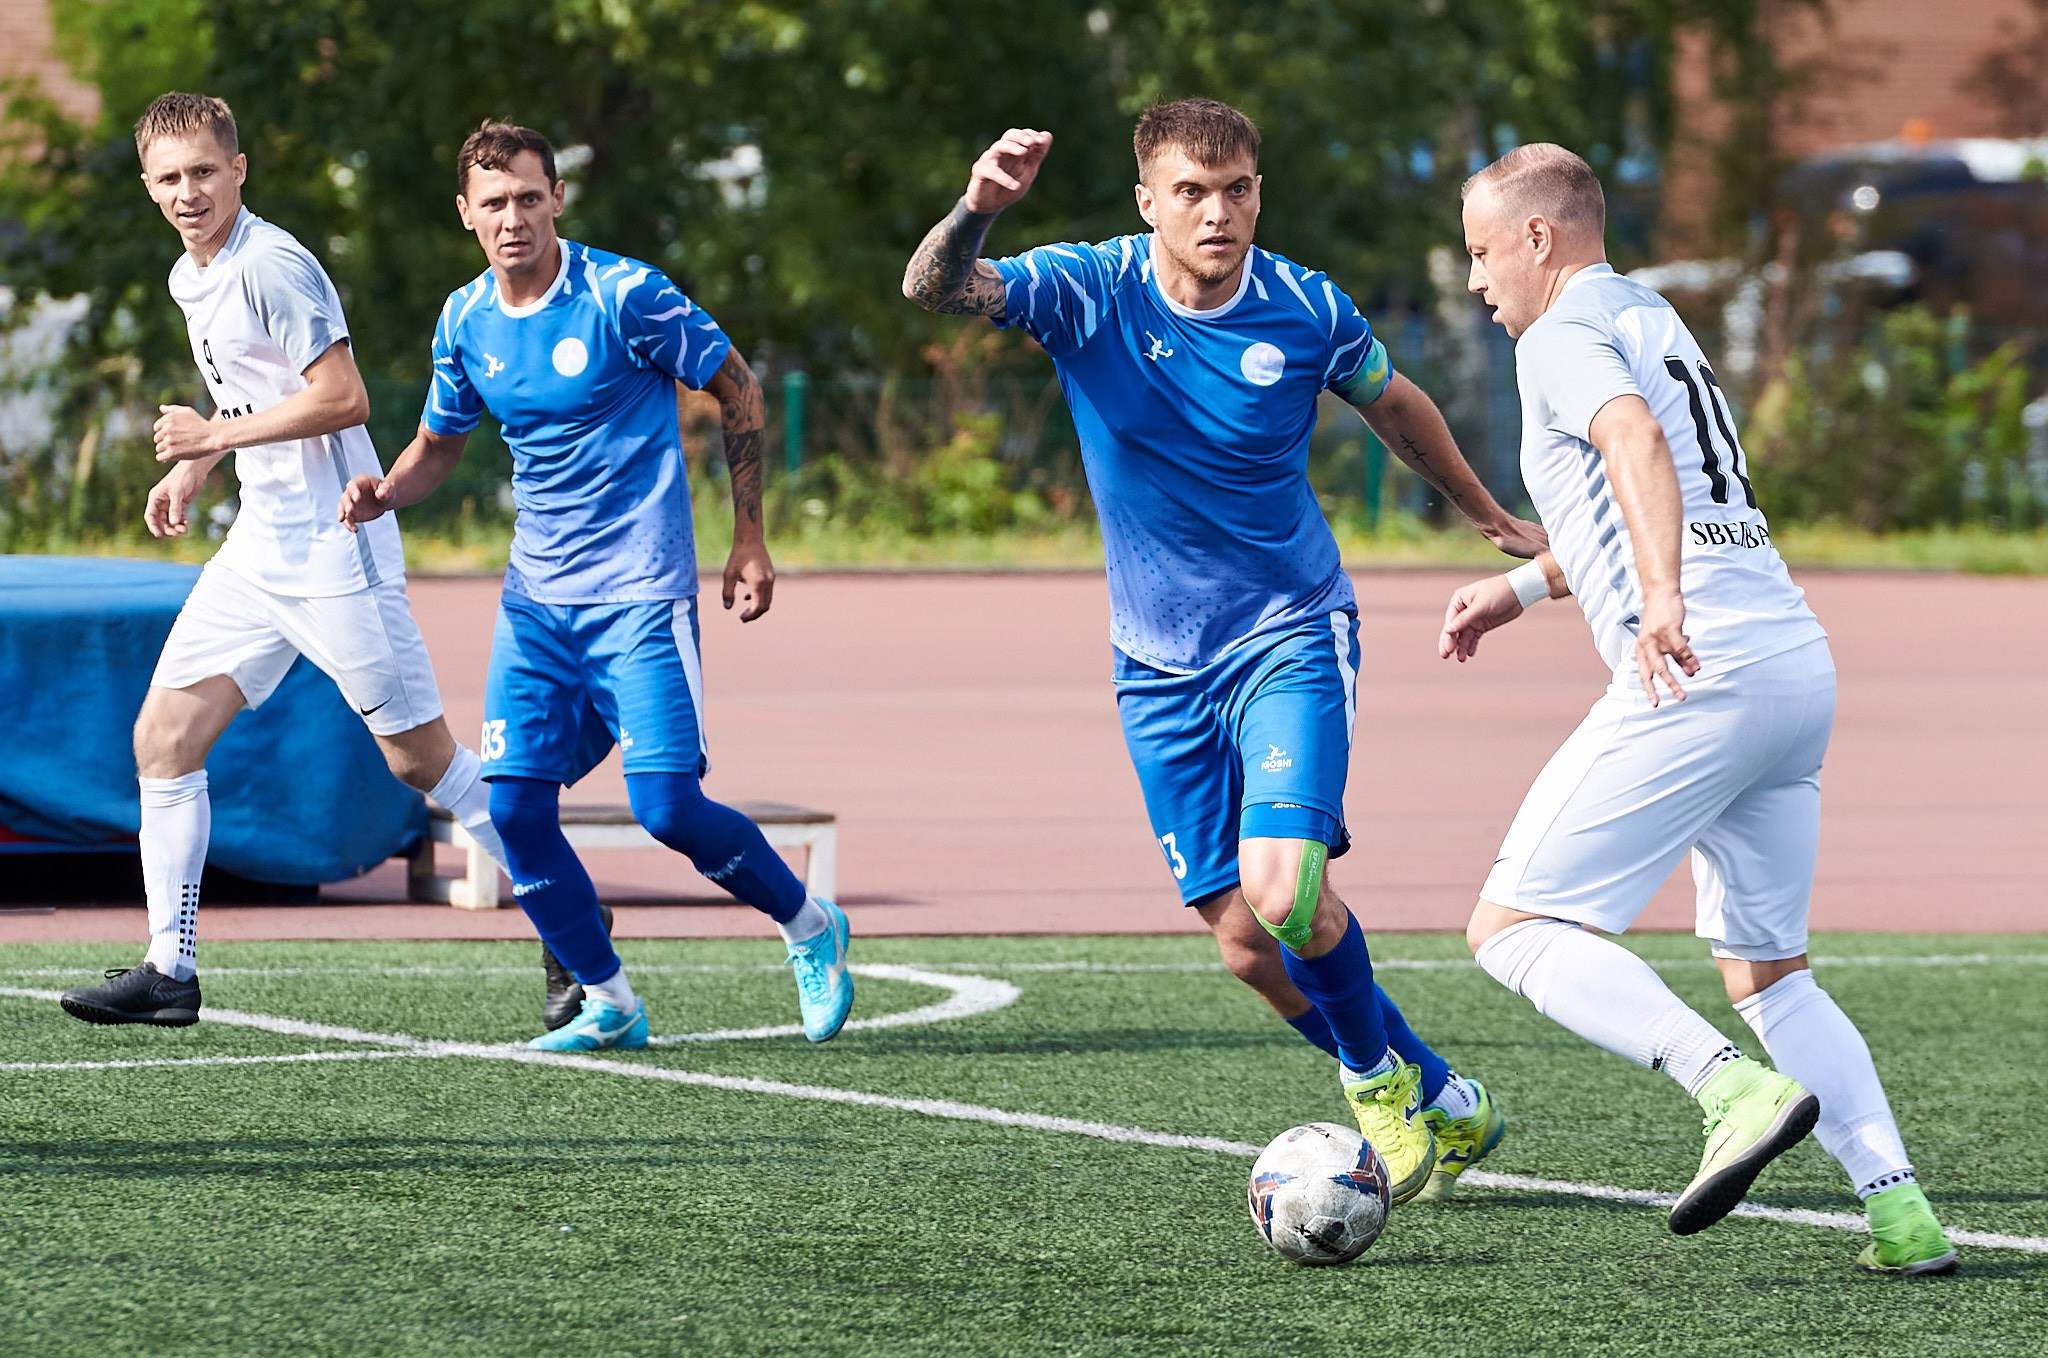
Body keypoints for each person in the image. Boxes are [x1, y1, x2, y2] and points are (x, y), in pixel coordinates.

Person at [903, 99, 1547, 1203]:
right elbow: (934, 289)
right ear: (1146, 201)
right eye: (1191, 193)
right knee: (1250, 946)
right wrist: (977, 207)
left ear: (1257, 192)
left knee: (1288, 892)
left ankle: (1375, 1086)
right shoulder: (1087, 287)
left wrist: (1487, 514)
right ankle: (1440, 1090)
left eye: (1237, 188)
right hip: (1153, 662)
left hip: (1287, 629)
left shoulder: (1304, 306)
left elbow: (1395, 406)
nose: (1218, 212)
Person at [1443, 142, 1956, 1272]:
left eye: (1481, 251)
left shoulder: (1561, 335)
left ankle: (1724, 1086)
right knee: (1769, 972)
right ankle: (1899, 1211)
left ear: (1539, 237)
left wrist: (1662, 599)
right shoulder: (1650, 316)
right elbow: (1660, 491)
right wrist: (1523, 586)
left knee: (1513, 929)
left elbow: (1628, 444)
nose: (1476, 280)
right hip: (1789, 666)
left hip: (1698, 668)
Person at [340, 121, 851, 1053]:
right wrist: (385, 492)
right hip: (537, 607)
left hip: (643, 599)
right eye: (493, 202)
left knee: (667, 809)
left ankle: (810, 925)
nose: (512, 217)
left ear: (557, 200)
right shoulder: (464, 320)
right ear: (466, 214)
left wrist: (747, 536)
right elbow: (439, 447)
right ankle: (609, 997)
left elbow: (736, 385)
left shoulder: (625, 294)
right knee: (514, 811)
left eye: (529, 197)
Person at [58, 93, 510, 1030]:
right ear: (147, 187)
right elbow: (255, 389)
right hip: (259, 545)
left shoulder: (271, 263)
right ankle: (169, 968)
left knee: (419, 760)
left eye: (204, 173)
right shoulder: (195, 273)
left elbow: (342, 399)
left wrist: (209, 432)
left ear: (240, 169)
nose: (189, 193)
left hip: (336, 545)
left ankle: (570, 909)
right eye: (169, 178)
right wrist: (200, 462)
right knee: (164, 739)